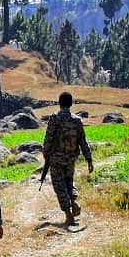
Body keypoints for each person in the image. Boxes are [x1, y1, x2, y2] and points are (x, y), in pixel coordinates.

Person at [42, 91, 94, 227]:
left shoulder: (54, 118)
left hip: (56, 159)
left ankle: (69, 216)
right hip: (71, 158)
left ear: (59, 103)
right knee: (69, 182)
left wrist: (45, 152)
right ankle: (74, 201)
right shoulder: (77, 120)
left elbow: (48, 138)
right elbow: (83, 141)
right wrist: (89, 159)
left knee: (59, 186)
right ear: (71, 104)